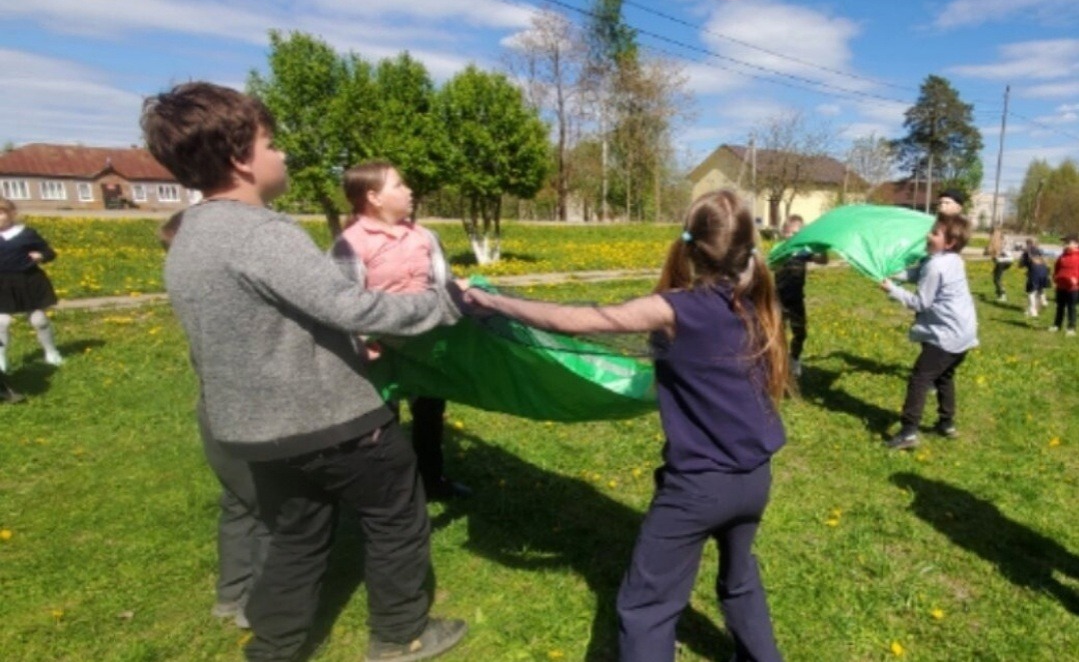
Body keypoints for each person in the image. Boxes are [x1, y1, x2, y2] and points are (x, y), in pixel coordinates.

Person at [141, 82, 468, 662]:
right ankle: (399, 635)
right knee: (396, 516)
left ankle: (274, 648)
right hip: (330, 420)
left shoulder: (190, 234)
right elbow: (354, 306)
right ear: (242, 158)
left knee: (297, 533)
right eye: (272, 142)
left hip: (253, 429)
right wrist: (444, 305)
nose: (283, 154)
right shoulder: (261, 233)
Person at [464, 190, 788, 662]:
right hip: (755, 480)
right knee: (740, 580)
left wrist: (492, 302)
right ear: (745, 247)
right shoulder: (757, 304)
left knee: (646, 607)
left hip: (697, 488)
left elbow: (578, 321)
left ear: (691, 245)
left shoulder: (675, 309)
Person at [332, 160, 470, 501]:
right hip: (380, 349)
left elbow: (442, 283)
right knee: (384, 420)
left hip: (425, 343)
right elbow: (339, 300)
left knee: (429, 413)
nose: (409, 191)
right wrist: (360, 343)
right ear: (373, 197)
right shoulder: (350, 243)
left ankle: (432, 480)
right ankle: (391, 492)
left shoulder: (424, 236)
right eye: (399, 185)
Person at [158, 211, 268, 631]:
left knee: (239, 504)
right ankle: (255, 605)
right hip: (245, 416)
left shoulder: (195, 297)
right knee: (272, 510)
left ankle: (231, 593)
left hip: (215, 413)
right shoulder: (227, 306)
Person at [880, 214, 978, 449]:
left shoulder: (936, 265)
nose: (928, 235)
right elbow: (918, 273)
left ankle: (908, 432)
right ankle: (946, 423)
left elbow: (921, 303)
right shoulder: (951, 259)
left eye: (935, 233)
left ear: (950, 242)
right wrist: (895, 273)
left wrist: (891, 289)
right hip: (964, 333)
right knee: (944, 376)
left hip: (946, 336)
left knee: (920, 378)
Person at [0, 198, 63, 371]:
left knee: (39, 320)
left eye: (0, 213)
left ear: (11, 214)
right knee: (1, 322)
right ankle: (1, 359)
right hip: (2, 284)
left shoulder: (26, 233)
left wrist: (41, 256)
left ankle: (51, 351)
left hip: (29, 281)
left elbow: (49, 252)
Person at [772, 214, 826, 378]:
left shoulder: (803, 252)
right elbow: (772, 263)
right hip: (779, 300)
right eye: (791, 233)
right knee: (777, 334)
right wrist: (787, 254)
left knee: (800, 333)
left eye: (798, 234)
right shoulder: (779, 249)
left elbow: (823, 261)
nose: (794, 237)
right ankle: (776, 364)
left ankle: (794, 358)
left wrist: (821, 247)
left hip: (796, 300)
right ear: (784, 232)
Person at [1048, 233, 1079, 335]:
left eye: (1067, 242)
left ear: (1076, 244)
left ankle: (1071, 327)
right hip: (1061, 286)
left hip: (1073, 287)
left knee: (1071, 307)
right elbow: (1057, 268)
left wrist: (1077, 280)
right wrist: (1055, 278)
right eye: (1064, 242)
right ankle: (1057, 325)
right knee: (1060, 307)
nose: (1065, 244)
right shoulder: (1062, 256)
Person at [1019, 239, 1050, 317]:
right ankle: (1043, 302)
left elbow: (1021, 265)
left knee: (1031, 292)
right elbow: (1047, 262)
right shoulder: (1040, 251)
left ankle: (1033, 311)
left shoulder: (1026, 252)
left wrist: (1023, 262)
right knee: (1039, 289)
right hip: (1044, 271)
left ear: (1028, 244)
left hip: (1034, 271)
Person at [984, 227, 1013, 302]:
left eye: (990, 234)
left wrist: (988, 251)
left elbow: (995, 253)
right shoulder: (1004, 239)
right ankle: (1000, 292)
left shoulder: (997, 241)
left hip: (1002, 261)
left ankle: (1002, 295)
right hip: (1009, 261)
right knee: (996, 277)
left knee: (997, 279)